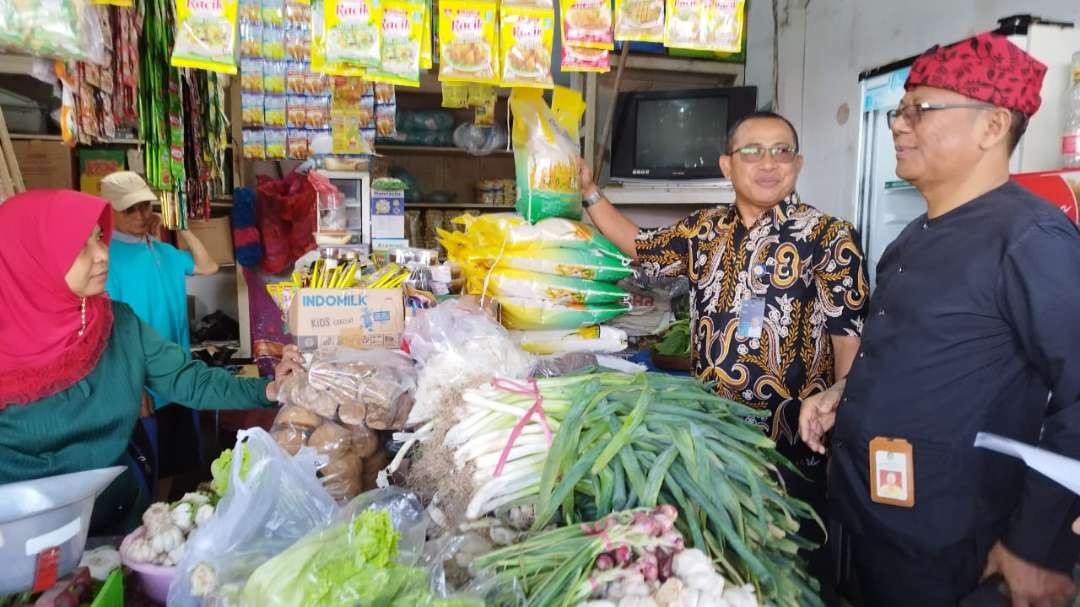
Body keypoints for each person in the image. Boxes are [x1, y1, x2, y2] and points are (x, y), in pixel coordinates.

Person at [799, 32, 1080, 606]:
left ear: (992, 126)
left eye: (920, 110)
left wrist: (1036, 545)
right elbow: (929, 357)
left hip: (958, 549)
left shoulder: (1030, 239)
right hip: (874, 522)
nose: (898, 124)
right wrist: (844, 394)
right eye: (899, 111)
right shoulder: (910, 239)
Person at [579, 111, 869, 601]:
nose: (768, 163)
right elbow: (641, 246)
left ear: (797, 164)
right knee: (723, 565)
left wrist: (842, 397)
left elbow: (850, 329)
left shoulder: (828, 235)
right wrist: (590, 192)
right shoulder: (705, 230)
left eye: (781, 151)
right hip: (713, 439)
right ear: (727, 165)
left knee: (790, 568)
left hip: (793, 445)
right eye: (751, 151)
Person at [0, 190, 304, 533]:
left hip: (115, 523)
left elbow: (188, 380)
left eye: (99, 239)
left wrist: (267, 389)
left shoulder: (118, 324)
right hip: (14, 538)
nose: (102, 255)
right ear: (30, 258)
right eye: (80, 246)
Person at [100, 171, 220, 496]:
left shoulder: (163, 251)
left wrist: (179, 226)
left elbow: (208, 266)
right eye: (130, 210)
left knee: (174, 463)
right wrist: (134, 383)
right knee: (144, 467)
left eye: (144, 206)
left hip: (177, 373)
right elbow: (107, 329)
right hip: (144, 383)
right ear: (108, 211)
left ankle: (160, 519)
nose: (140, 215)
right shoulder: (104, 258)